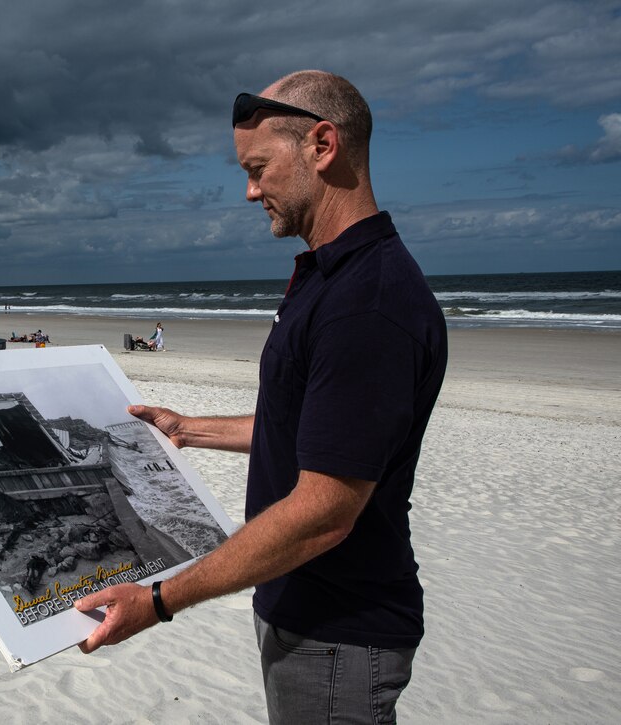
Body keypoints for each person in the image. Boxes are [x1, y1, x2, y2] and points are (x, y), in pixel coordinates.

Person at [75, 70, 447, 724]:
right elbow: (313, 427)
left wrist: (160, 599)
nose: (249, 191)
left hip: (339, 628)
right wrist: (188, 428)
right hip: (305, 615)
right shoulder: (330, 278)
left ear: (323, 145)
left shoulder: (367, 303)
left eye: (258, 167)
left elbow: (325, 509)